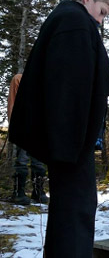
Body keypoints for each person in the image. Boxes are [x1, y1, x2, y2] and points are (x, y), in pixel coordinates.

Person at [8, 0, 109, 257]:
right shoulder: (74, 22)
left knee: (69, 209)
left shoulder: (68, 20)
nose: (101, 21)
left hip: (68, 140)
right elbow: (70, 85)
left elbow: (83, 73)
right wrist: (69, 145)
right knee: (76, 210)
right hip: (71, 141)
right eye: (102, 12)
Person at [7, 74, 49, 206]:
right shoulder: (19, 78)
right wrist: (14, 125)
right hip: (23, 126)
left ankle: (38, 192)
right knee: (22, 160)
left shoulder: (46, 81)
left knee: (39, 162)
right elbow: (12, 104)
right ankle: (19, 193)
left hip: (40, 128)